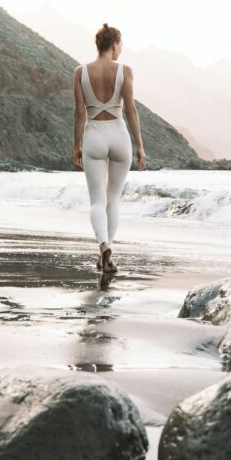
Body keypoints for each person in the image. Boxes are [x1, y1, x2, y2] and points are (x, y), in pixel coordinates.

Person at [72, 23, 147, 273]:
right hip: (119, 136)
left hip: (93, 135)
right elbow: (130, 110)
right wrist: (140, 147)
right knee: (112, 200)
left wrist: (76, 145)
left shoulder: (79, 72)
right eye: (120, 45)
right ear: (114, 45)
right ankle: (107, 256)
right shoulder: (125, 71)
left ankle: (103, 245)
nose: (121, 49)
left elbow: (79, 112)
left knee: (96, 199)